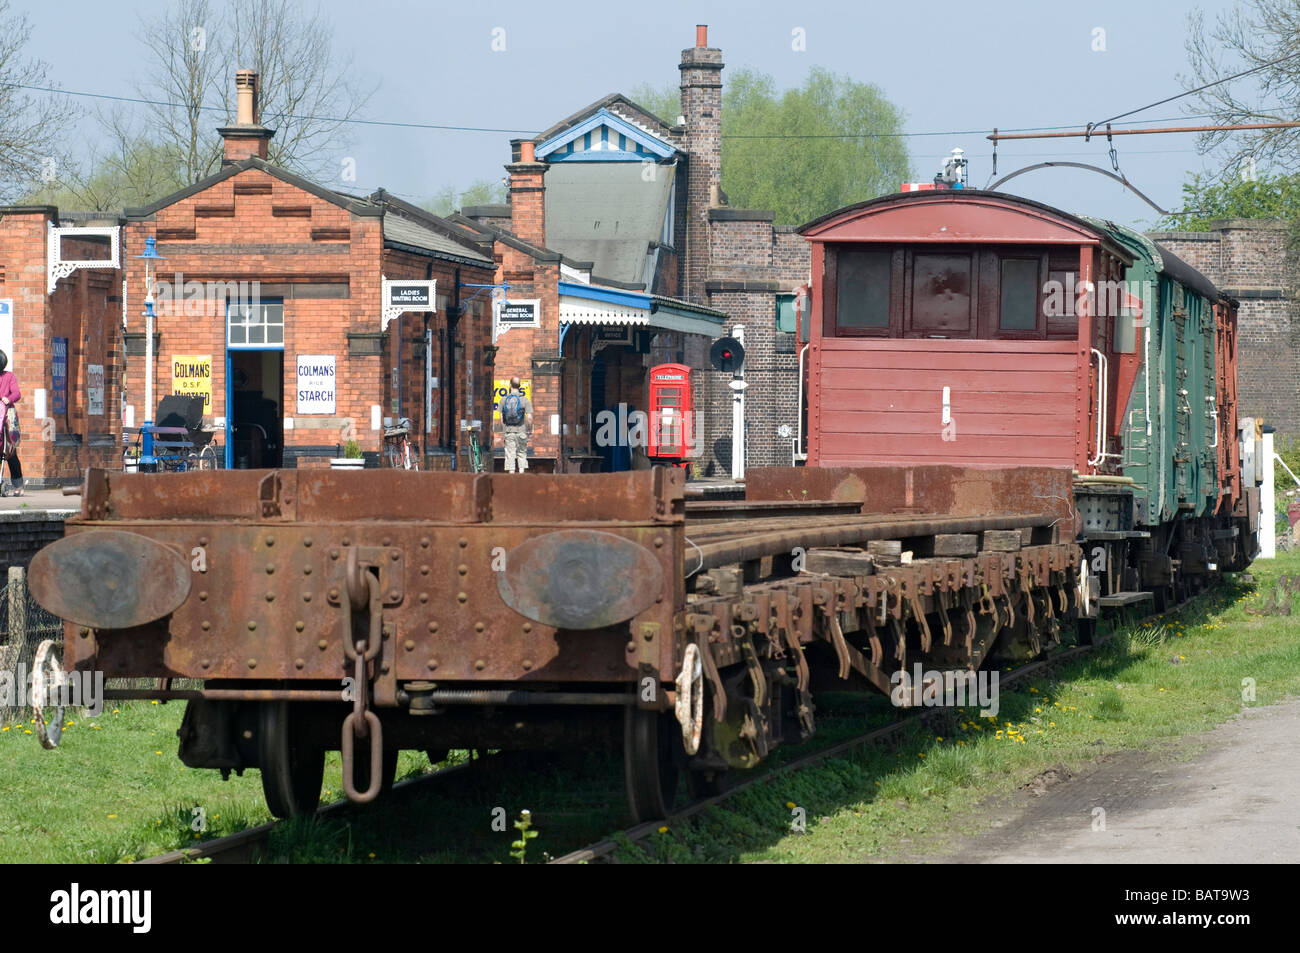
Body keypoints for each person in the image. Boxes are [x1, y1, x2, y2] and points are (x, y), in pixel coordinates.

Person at [500, 377, 533, 473]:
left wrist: (505, 430)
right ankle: (521, 477)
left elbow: (501, 419)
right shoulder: (525, 400)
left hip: (509, 432)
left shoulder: (504, 400)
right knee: (521, 454)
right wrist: (529, 430)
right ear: (520, 386)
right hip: (521, 431)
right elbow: (530, 418)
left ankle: (511, 478)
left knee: (510, 455)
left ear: (510, 385)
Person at [0, 349, 22, 496]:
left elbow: (17, 393)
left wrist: (9, 398)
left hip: (6, 416)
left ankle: (18, 485)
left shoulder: (9, 376)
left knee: (10, 452)